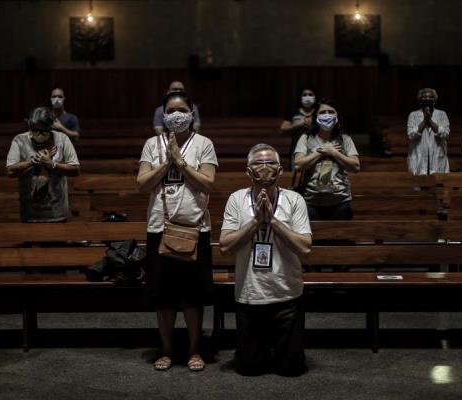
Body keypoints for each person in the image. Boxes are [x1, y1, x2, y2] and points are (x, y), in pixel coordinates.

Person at [137, 90, 217, 372]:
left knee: (192, 296)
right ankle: (167, 349)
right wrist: (167, 161)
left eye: (182, 109)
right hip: (160, 227)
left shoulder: (204, 144)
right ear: (163, 114)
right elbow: (143, 184)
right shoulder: (151, 144)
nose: (176, 115)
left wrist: (181, 162)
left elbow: (208, 184)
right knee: (164, 297)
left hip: (194, 229)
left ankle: (195, 350)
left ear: (192, 113)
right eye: (170, 110)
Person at [219, 143, 312, 377]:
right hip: (250, 295)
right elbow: (225, 246)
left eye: (270, 162)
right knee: (249, 369)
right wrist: (254, 223)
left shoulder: (294, 200)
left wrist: (273, 221)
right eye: (258, 163)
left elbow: (304, 246)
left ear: (280, 170)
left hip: (287, 293)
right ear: (248, 171)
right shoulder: (236, 199)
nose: (264, 167)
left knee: (291, 369)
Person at [6, 106, 80, 222]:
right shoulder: (19, 140)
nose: (40, 134)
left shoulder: (62, 139)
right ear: (30, 125)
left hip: (57, 214)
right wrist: (32, 162)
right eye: (36, 130)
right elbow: (10, 171)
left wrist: (52, 164)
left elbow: (76, 170)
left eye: (44, 130)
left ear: (50, 127)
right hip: (30, 214)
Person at [293, 99, 360, 221]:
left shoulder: (345, 139)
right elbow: (298, 165)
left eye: (331, 112)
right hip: (311, 201)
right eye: (323, 112)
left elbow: (355, 167)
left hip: (340, 201)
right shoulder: (306, 138)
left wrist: (334, 153)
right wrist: (321, 151)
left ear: (337, 116)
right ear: (316, 116)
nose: (327, 115)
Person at [406, 88, 450, 175]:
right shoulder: (413, 115)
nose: (427, 99)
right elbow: (411, 135)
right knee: (418, 186)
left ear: (435, 100)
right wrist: (424, 121)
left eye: (430, 97)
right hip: (418, 161)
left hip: (438, 160)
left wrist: (430, 121)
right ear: (420, 100)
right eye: (424, 97)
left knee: (438, 186)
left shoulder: (442, 114)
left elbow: (446, 134)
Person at [280, 87, 317, 170]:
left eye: (310, 95)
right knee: (296, 173)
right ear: (300, 97)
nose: (307, 97)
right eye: (305, 95)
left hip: (316, 148)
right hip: (297, 148)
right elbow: (283, 128)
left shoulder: (319, 112)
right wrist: (299, 124)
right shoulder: (294, 112)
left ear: (315, 97)